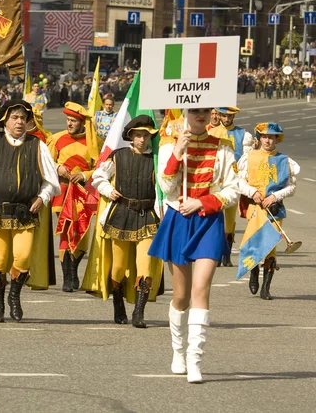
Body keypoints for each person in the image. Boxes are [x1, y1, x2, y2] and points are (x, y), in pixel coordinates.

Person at [148, 108, 239, 384]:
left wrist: (202, 202)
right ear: (186, 112)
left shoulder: (223, 147)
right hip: (179, 218)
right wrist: (177, 152)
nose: (200, 115)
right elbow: (165, 184)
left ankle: (194, 358)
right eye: (195, 110)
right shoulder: (168, 145)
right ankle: (177, 351)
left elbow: (233, 190)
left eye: (204, 110)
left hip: (208, 221)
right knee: (182, 296)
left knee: (202, 289)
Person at [0, 85, 60, 322]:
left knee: (23, 257)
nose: (19, 122)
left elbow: (52, 182)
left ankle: (14, 297)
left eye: (23, 118)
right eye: (15, 117)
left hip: (25, 214)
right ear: (5, 121)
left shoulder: (38, 146)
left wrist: (41, 198)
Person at [90, 115, 162, 328]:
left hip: (147, 216)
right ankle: (118, 301)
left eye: (146, 135)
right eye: (138, 135)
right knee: (118, 268)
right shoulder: (118, 156)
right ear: (131, 136)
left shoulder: (156, 159)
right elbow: (97, 177)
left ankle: (139, 312)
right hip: (121, 214)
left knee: (145, 267)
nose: (142, 139)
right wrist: (108, 190)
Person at [237, 123, 300, 300]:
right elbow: (239, 182)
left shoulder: (285, 160)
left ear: (277, 140)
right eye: (264, 136)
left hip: (275, 209)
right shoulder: (248, 158)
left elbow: (292, 187)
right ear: (259, 138)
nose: (267, 140)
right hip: (256, 209)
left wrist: (274, 197)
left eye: (271, 137)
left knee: (270, 248)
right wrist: (253, 192)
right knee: (254, 243)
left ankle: (266, 288)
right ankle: (254, 272)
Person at [49, 102, 100, 292]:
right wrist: (58, 168)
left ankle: (74, 270)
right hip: (62, 192)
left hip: (84, 193)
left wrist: (86, 175)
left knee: (80, 232)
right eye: (68, 120)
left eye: (73, 121)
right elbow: (47, 162)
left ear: (82, 123)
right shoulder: (57, 139)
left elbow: (103, 168)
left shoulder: (94, 142)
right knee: (65, 229)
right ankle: (67, 277)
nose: (69, 124)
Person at [213, 107, 253, 267]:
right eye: (224, 115)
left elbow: (245, 160)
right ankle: (215, 254)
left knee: (230, 222)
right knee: (215, 220)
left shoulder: (243, 135)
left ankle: (226, 255)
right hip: (215, 183)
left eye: (229, 116)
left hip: (232, 183)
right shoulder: (211, 132)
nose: (226, 119)